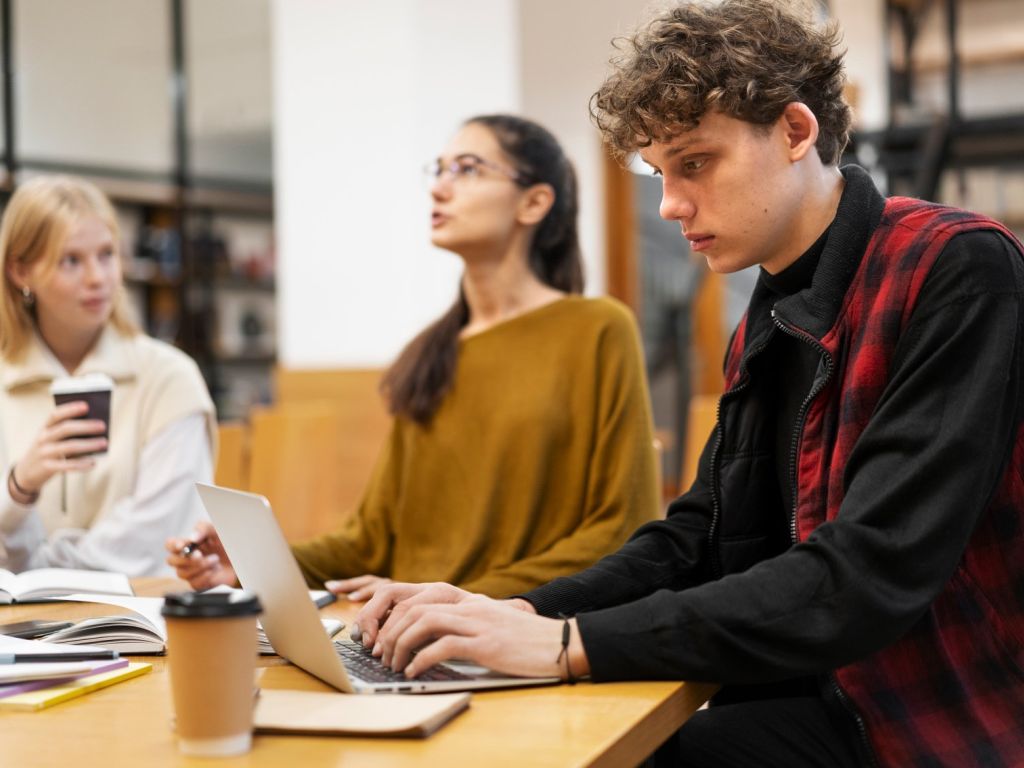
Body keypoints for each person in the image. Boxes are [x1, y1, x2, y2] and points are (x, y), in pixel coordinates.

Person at [349, 3, 1024, 767]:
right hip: (800, 694)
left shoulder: (956, 267)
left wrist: (567, 643)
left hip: (930, 716)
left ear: (797, 133)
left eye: (694, 163)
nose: (670, 204)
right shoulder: (769, 315)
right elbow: (696, 536)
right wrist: (516, 611)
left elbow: (865, 575)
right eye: (660, 173)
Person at [167, 114, 659, 601]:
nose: (440, 189)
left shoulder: (598, 329)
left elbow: (621, 528)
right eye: (439, 170)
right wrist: (250, 564)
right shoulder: (430, 353)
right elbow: (370, 540)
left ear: (534, 202)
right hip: (406, 631)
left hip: (518, 632)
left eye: (467, 169)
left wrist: (453, 599)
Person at [0, 175, 216, 576]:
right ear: (20, 272)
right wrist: (20, 487)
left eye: (107, 254)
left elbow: (155, 541)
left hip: (139, 627)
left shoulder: (170, 378)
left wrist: (35, 563)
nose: (98, 278)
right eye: (71, 260)